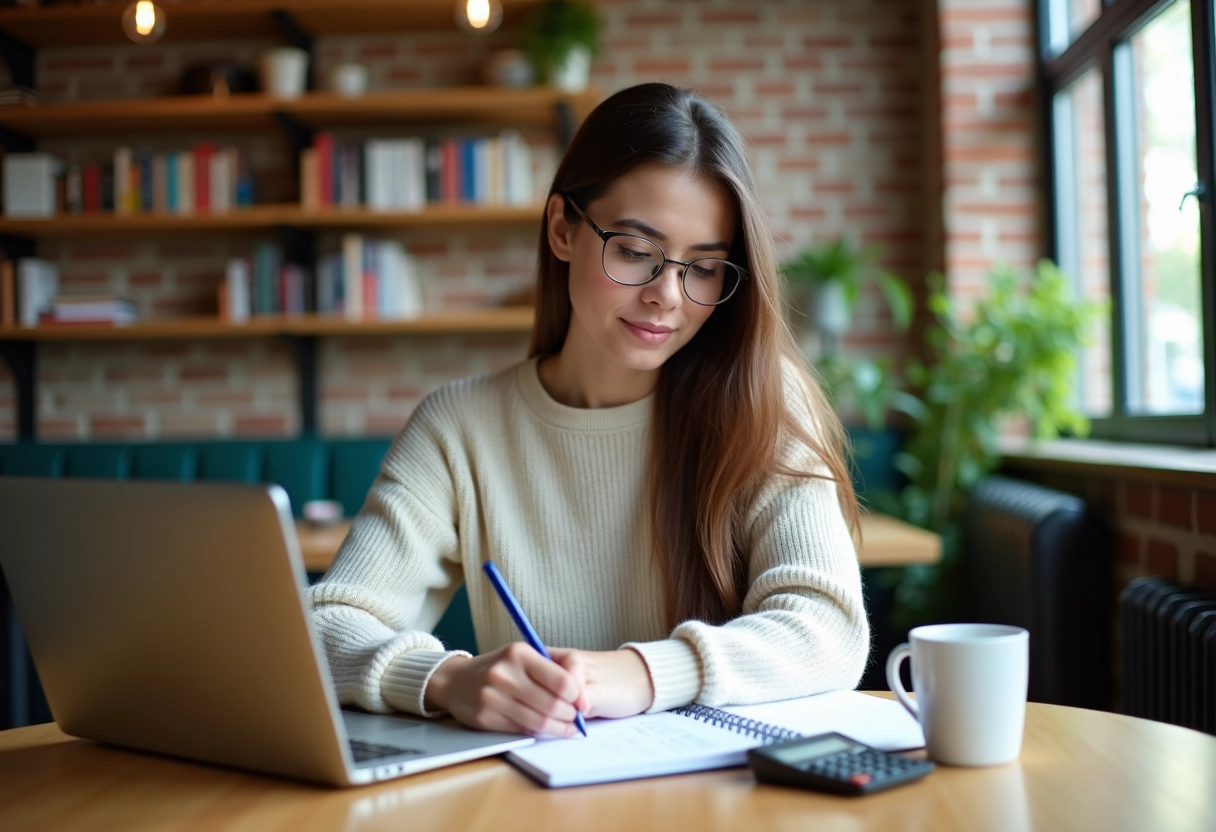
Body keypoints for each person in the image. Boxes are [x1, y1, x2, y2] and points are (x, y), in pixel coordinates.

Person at [309, 82, 869, 739]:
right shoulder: (460, 427)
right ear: (562, 229)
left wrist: (639, 674)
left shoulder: (763, 401)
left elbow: (827, 628)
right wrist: (447, 680)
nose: (668, 295)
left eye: (705, 268)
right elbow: (324, 626)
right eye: (635, 251)